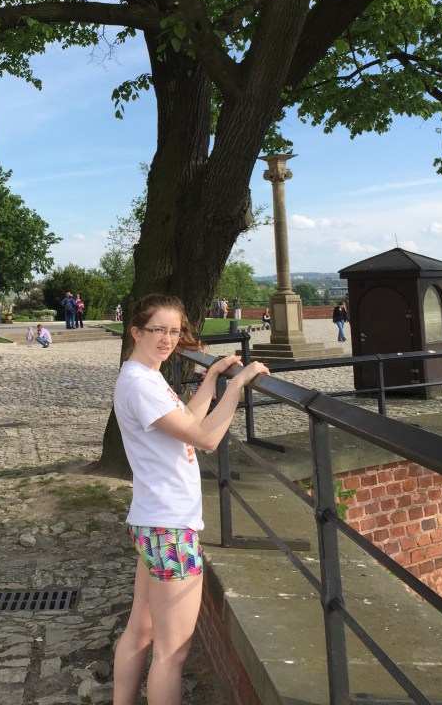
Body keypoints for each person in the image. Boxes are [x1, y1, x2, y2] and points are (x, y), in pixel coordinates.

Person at [113, 293, 269, 705]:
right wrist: (237, 385)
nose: (167, 339)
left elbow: (185, 421)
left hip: (153, 521)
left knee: (141, 632)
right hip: (169, 527)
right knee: (172, 652)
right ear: (136, 332)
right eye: (157, 330)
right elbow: (206, 439)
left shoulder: (144, 375)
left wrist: (213, 377)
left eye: (174, 331)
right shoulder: (139, 383)